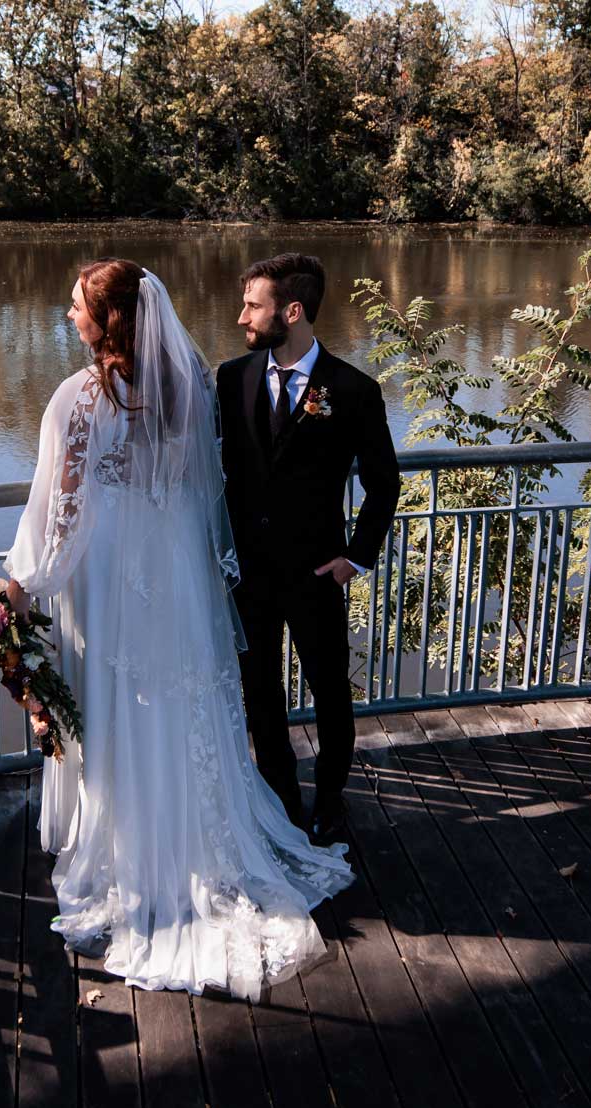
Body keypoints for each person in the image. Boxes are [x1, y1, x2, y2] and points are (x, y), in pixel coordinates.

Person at [0, 259, 354, 1000]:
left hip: (109, 585)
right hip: (177, 576)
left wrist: (20, 588)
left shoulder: (78, 399)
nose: (68, 316)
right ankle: (202, 833)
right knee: (183, 698)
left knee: (122, 704)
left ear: (110, 320)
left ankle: (137, 849)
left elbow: (58, 521)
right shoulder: (188, 391)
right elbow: (206, 493)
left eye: (77, 306)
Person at [216, 253, 402, 849]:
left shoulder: (352, 390)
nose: (241, 315)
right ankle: (279, 802)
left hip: (318, 571)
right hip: (249, 574)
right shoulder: (231, 379)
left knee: (329, 693)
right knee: (260, 693)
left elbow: (384, 482)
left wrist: (357, 557)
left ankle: (329, 801)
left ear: (291, 311)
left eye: (253, 304)